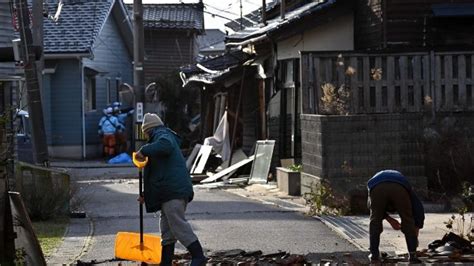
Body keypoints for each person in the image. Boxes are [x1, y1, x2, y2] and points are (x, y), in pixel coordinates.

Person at [135, 113, 207, 266]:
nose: (147, 135)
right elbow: (156, 175)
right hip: (169, 191)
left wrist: (144, 150)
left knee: (177, 224)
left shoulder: (162, 135)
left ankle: (198, 256)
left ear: (150, 129)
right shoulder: (159, 139)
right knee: (167, 230)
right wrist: (145, 195)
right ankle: (166, 262)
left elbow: (165, 145)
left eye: (146, 132)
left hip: (173, 191)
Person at [367, 170, 425, 264]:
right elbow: (419, 209)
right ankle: (413, 255)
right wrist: (415, 232)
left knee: (375, 220)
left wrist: (389, 219)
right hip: (399, 187)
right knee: (407, 219)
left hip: (377, 186)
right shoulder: (406, 188)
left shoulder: (376, 181)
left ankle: (374, 254)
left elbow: (372, 207)